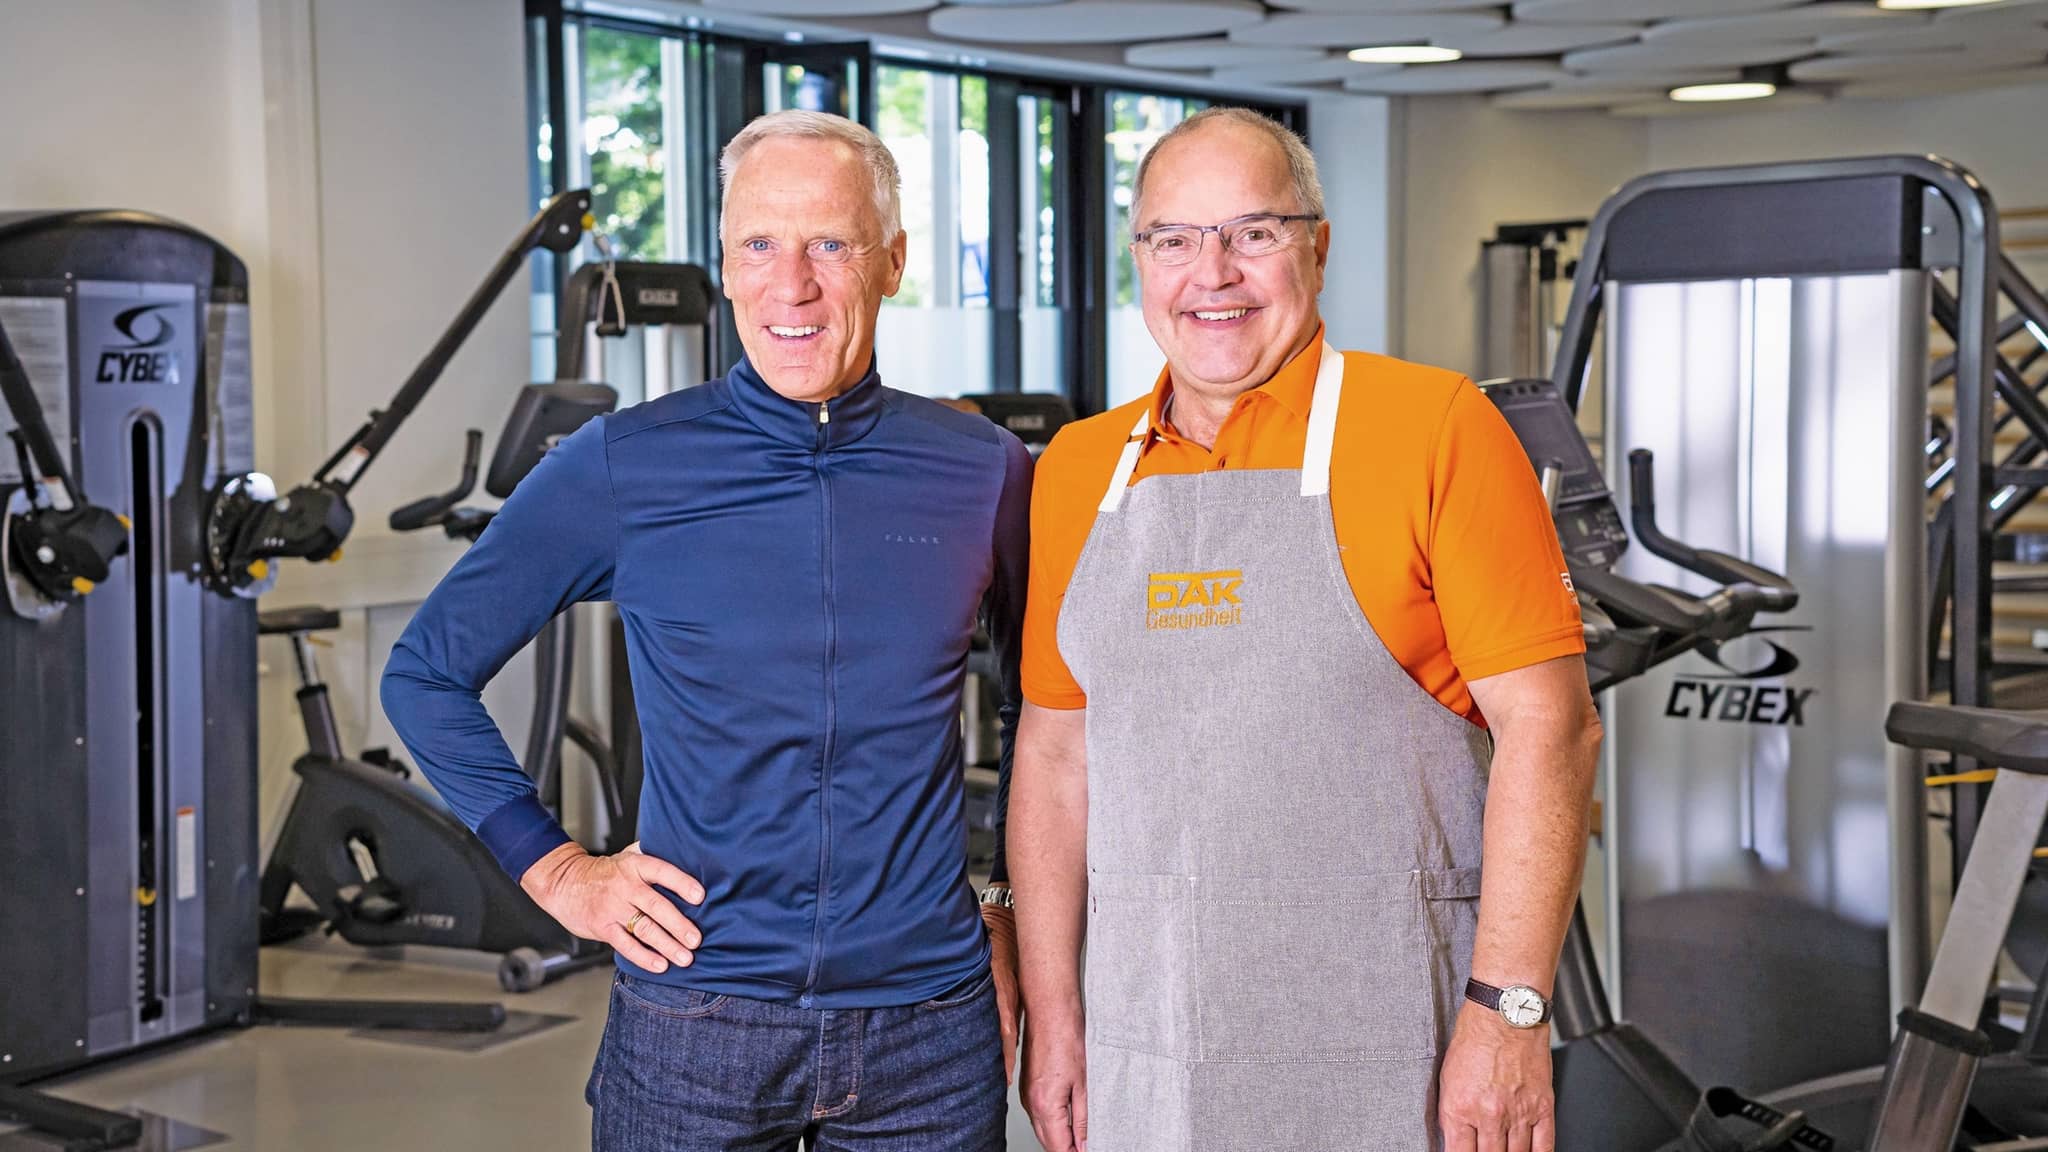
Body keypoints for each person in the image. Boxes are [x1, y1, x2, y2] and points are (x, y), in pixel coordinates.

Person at [382, 109, 1027, 1152]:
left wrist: (999, 896)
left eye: (830, 242)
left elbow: (1040, 702)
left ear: (894, 261)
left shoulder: (982, 470)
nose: (792, 284)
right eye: (758, 245)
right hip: (696, 1021)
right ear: (724, 265)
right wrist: (554, 870)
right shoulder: (622, 464)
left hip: (928, 1030)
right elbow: (424, 674)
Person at [1009, 106, 1602, 1152]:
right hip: (1150, 1042)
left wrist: (1508, 1016)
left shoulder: (1434, 427)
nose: (1212, 272)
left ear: (1315, 248)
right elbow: (1056, 757)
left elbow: (1550, 730)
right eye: (1173, 238)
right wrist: (1056, 1022)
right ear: (1136, 258)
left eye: (1253, 232)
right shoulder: (1076, 469)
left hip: (1398, 1042)